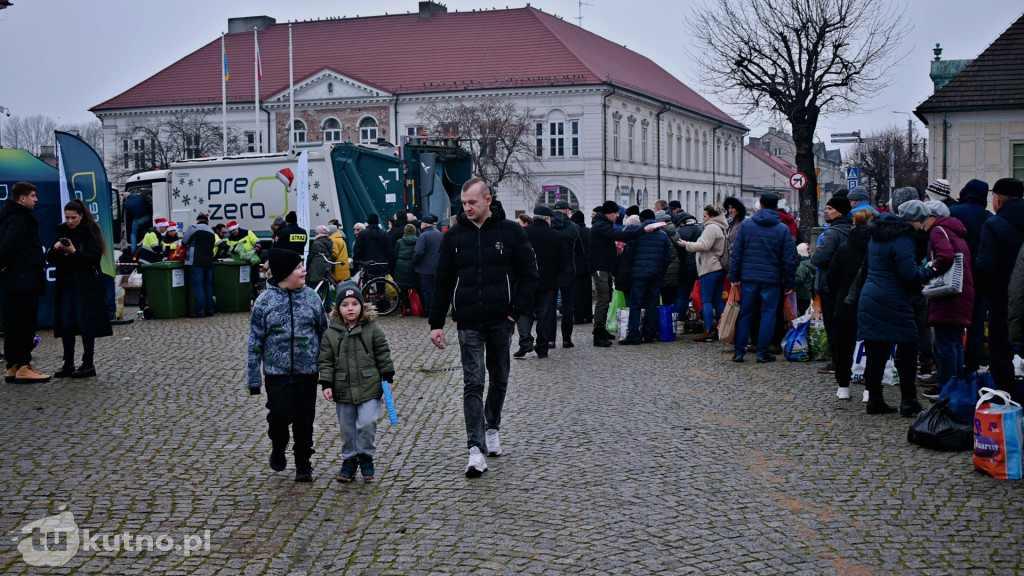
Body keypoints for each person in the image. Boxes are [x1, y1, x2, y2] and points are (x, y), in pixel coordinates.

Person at [428, 178, 539, 477]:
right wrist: (436, 323)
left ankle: (492, 427)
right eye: (463, 203)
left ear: (488, 201)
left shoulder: (512, 232)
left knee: (500, 378)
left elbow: (530, 275)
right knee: (473, 382)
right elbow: (442, 280)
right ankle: (475, 449)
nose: (467, 208)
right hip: (468, 321)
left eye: (472, 203)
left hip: (502, 320)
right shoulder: (453, 236)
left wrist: (515, 313)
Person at [248, 249, 329, 482]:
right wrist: (253, 379)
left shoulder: (312, 299)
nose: (304, 270)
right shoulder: (265, 302)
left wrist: (329, 374)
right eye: (298, 267)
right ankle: (278, 445)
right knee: (279, 417)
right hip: (277, 374)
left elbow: (326, 336)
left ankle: (303, 463)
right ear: (284, 273)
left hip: (307, 372)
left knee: (305, 420)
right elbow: (255, 342)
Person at [858, 200, 935, 415]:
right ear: (914, 219)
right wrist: (930, 272)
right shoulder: (902, 238)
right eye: (922, 222)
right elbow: (909, 273)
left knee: (877, 351)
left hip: (871, 295)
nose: (923, 227)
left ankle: (874, 399)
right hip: (893, 298)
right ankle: (909, 401)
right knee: (909, 346)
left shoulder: (878, 233)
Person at [319, 282, 395, 483]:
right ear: (338, 308)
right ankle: (349, 460)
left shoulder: (372, 329)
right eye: (345, 304)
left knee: (368, 422)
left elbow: (383, 353)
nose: (350, 308)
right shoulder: (331, 333)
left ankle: (366, 455)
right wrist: (326, 383)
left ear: (362, 305)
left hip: (369, 386)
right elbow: (325, 360)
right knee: (347, 428)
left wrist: (388, 377)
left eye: (354, 303)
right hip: (342, 388)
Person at [45, 199, 114, 378]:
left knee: (85, 323)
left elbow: (94, 257)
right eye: (67, 218)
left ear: (81, 216)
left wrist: (74, 252)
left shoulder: (90, 230)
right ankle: (68, 362)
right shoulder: (61, 230)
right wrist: (56, 248)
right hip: (66, 282)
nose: (70, 221)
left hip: (86, 285)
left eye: (73, 218)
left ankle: (88, 362)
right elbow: (50, 258)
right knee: (66, 323)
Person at [729, 193, 797, 363]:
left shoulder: (747, 225)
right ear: (776, 207)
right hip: (772, 280)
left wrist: (735, 275)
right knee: (768, 314)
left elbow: (737, 252)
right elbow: (788, 259)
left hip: (749, 277)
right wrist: (789, 282)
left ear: (760, 205)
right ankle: (763, 352)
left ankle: (739, 351)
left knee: (745, 313)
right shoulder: (782, 229)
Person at [919, 200, 974, 399]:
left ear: (934, 217)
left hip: (948, 295)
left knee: (946, 344)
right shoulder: (954, 232)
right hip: (961, 293)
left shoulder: (938, 231)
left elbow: (946, 257)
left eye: (925, 217)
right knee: (955, 342)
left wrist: (929, 270)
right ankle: (955, 384)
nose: (922, 222)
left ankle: (946, 387)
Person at [975, 178, 1024, 399]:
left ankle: (1007, 402)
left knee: (1001, 355)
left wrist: (981, 292)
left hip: (1001, 299)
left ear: (997, 200)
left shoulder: (994, 225)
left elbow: (985, 266)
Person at [588, 200, 661, 347]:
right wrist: (643, 230)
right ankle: (598, 333)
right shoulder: (601, 225)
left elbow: (604, 244)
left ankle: (601, 329)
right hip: (600, 267)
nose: (617, 216)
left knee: (607, 297)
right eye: (615, 213)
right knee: (602, 299)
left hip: (605, 266)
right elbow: (619, 235)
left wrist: (614, 252)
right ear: (608, 213)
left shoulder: (604, 224)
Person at [0, 182, 50, 383]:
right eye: (33, 195)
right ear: (22, 198)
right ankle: (23, 365)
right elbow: (8, 245)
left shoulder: (8, 217)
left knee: (13, 323)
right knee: (24, 324)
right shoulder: (21, 219)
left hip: (15, 279)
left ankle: (12, 366)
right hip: (24, 279)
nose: (36, 199)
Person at [828, 209, 877, 400]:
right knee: (873, 347)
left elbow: (831, 278)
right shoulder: (876, 248)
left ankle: (843, 387)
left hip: (846, 302)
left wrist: (838, 296)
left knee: (844, 346)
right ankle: (868, 389)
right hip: (871, 302)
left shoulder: (844, 247)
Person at [948, 179, 992, 376]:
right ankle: (971, 366)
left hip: (955, 275)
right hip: (980, 278)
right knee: (976, 324)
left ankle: (951, 368)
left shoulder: (955, 212)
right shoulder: (988, 218)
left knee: (952, 324)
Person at [514, 205, 568, 358]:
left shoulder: (523, 234)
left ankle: (525, 341)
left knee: (524, 312)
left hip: (525, 281)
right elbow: (564, 262)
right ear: (548, 219)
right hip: (547, 282)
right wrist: (552, 275)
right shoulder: (556, 236)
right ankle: (542, 346)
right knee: (545, 315)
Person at [811, 196, 853, 374]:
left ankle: (838, 362)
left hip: (829, 284)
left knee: (833, 326)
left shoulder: (832, 233)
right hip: (846, 284)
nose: (826, 211)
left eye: (829, 208)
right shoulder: (851, 229)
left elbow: (819, 258)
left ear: (839, 211)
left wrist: (813, 253)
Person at [620, 209, 671, 344]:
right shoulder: (663, 236)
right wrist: (660, 272)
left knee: (636, 305)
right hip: (655, 275)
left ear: (641, 221)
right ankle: (649, 335)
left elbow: (629, 255)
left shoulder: (637, 235)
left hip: (638, 275)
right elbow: (667, 258)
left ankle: (634, 335)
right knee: (652, 305)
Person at [681, 204, 728, 342]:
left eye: (706, 216)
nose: (704, 219)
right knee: (718, 300)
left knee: (706, 300)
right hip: (719, 267)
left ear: (713, 216)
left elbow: (704, 245)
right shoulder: (721, 227)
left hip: (710, 268)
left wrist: (687, 244)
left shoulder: (712, 227)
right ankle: (721, 329)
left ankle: (708, 331)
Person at [551, 199, 584, 348]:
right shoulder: (573, 228)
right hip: (568, 270)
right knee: (568, 307)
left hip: (550, 271)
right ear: (565, 211)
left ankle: (550, 339)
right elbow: (579, 251)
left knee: (549, 307)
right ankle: (566, 339)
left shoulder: (549, 225)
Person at [181, 213, 216, 318]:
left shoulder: (194, 228)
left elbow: (184, 242)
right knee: (208, 287)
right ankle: (210, 310)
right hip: (209, 262)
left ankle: (200, 310)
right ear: (207, 222)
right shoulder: (211, 231)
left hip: (196, 261)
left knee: (198, 286)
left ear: (198, 220)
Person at [413, 214, 442, 318]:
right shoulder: (439, 234)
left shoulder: (423, 236)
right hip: (437, 267)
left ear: (424, 224)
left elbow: (419, 252)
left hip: (425, 268)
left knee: (427, 291)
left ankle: (429, 311)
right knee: (436, 290)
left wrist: (415, 261)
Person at [352, 213, 391, 282]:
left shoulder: (363, 233)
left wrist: (357, 260)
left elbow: (357, 249)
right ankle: (381, 292)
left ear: (369, 222)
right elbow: (389, 249)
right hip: (381, 264)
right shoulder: (384, 233)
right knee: (381, 284)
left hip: (367, 263)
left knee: (366, 283)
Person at [570, 210, 593, 325]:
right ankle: (589, 315)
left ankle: (579, 317)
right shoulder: (589, 231)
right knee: (587, 292)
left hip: (576, 266)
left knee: (577, 293)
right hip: (588, 265)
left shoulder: (574, 231)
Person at [393, 223, 419, 314]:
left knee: (403, 289)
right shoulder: (418, 240)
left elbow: (395, 255)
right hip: (413, 266)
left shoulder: (400, 242)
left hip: (401, 266)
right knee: (417, 287)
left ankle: (407, 308)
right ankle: (422, 307)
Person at [305, 225, 336, 289]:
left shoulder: (316, 243)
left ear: (318, 233)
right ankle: (328, 299)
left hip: (316, 267)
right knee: (325, 285)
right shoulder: (330, 241)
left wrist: (307, 266)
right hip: (327, 265)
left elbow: (310, 256)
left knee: (315, 284)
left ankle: (315, 298)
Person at [794, 243, 815, 316]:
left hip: (801, 294)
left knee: (801, 313)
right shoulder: (811, 263)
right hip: (808, 294)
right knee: (806, 312)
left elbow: (799, 279)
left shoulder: (801, 266)